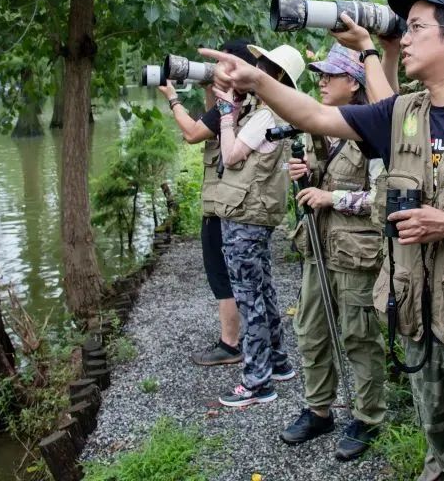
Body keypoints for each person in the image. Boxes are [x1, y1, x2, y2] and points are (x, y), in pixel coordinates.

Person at [202, 0, 444, 480]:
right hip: (418, 321)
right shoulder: (402, 113)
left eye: (414, 28)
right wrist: (257, 80)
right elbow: (316, 115)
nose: (402, 39)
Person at [278, 43, 387, 461]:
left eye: (330, 75)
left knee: (359, 337)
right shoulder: (320, 129)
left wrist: (332, 197)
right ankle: (318, 409)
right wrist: (306, 174)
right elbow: (318, 186)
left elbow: (382, 196)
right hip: (318, 249)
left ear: (354, 83)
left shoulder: (373, 131)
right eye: (319, 74)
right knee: (310, 331)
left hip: (357, 253)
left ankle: (368, 417)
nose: (321, 81)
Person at [214, 43, 306, 407]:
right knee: (263, 290)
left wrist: (225, 115)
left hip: (244, 216)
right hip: (256, 214)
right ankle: (279, 362)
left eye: (265, 65)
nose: (257, 68)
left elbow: (231, 155)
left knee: (249, 296)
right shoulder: (275, 113)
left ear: (278, 76)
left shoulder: (267, 116)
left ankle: (257, 382)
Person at [157, 39, 257, 367]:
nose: (217, 72)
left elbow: (192, 132)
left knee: (221, 273)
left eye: (223, 65)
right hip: (234, 199)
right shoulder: (247, 100)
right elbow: (214, 122)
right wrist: (208, 88)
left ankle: (231, 344)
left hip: (222, 203)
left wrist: (172, 98)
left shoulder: (235, 101)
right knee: (235, 272)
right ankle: (243, 338)